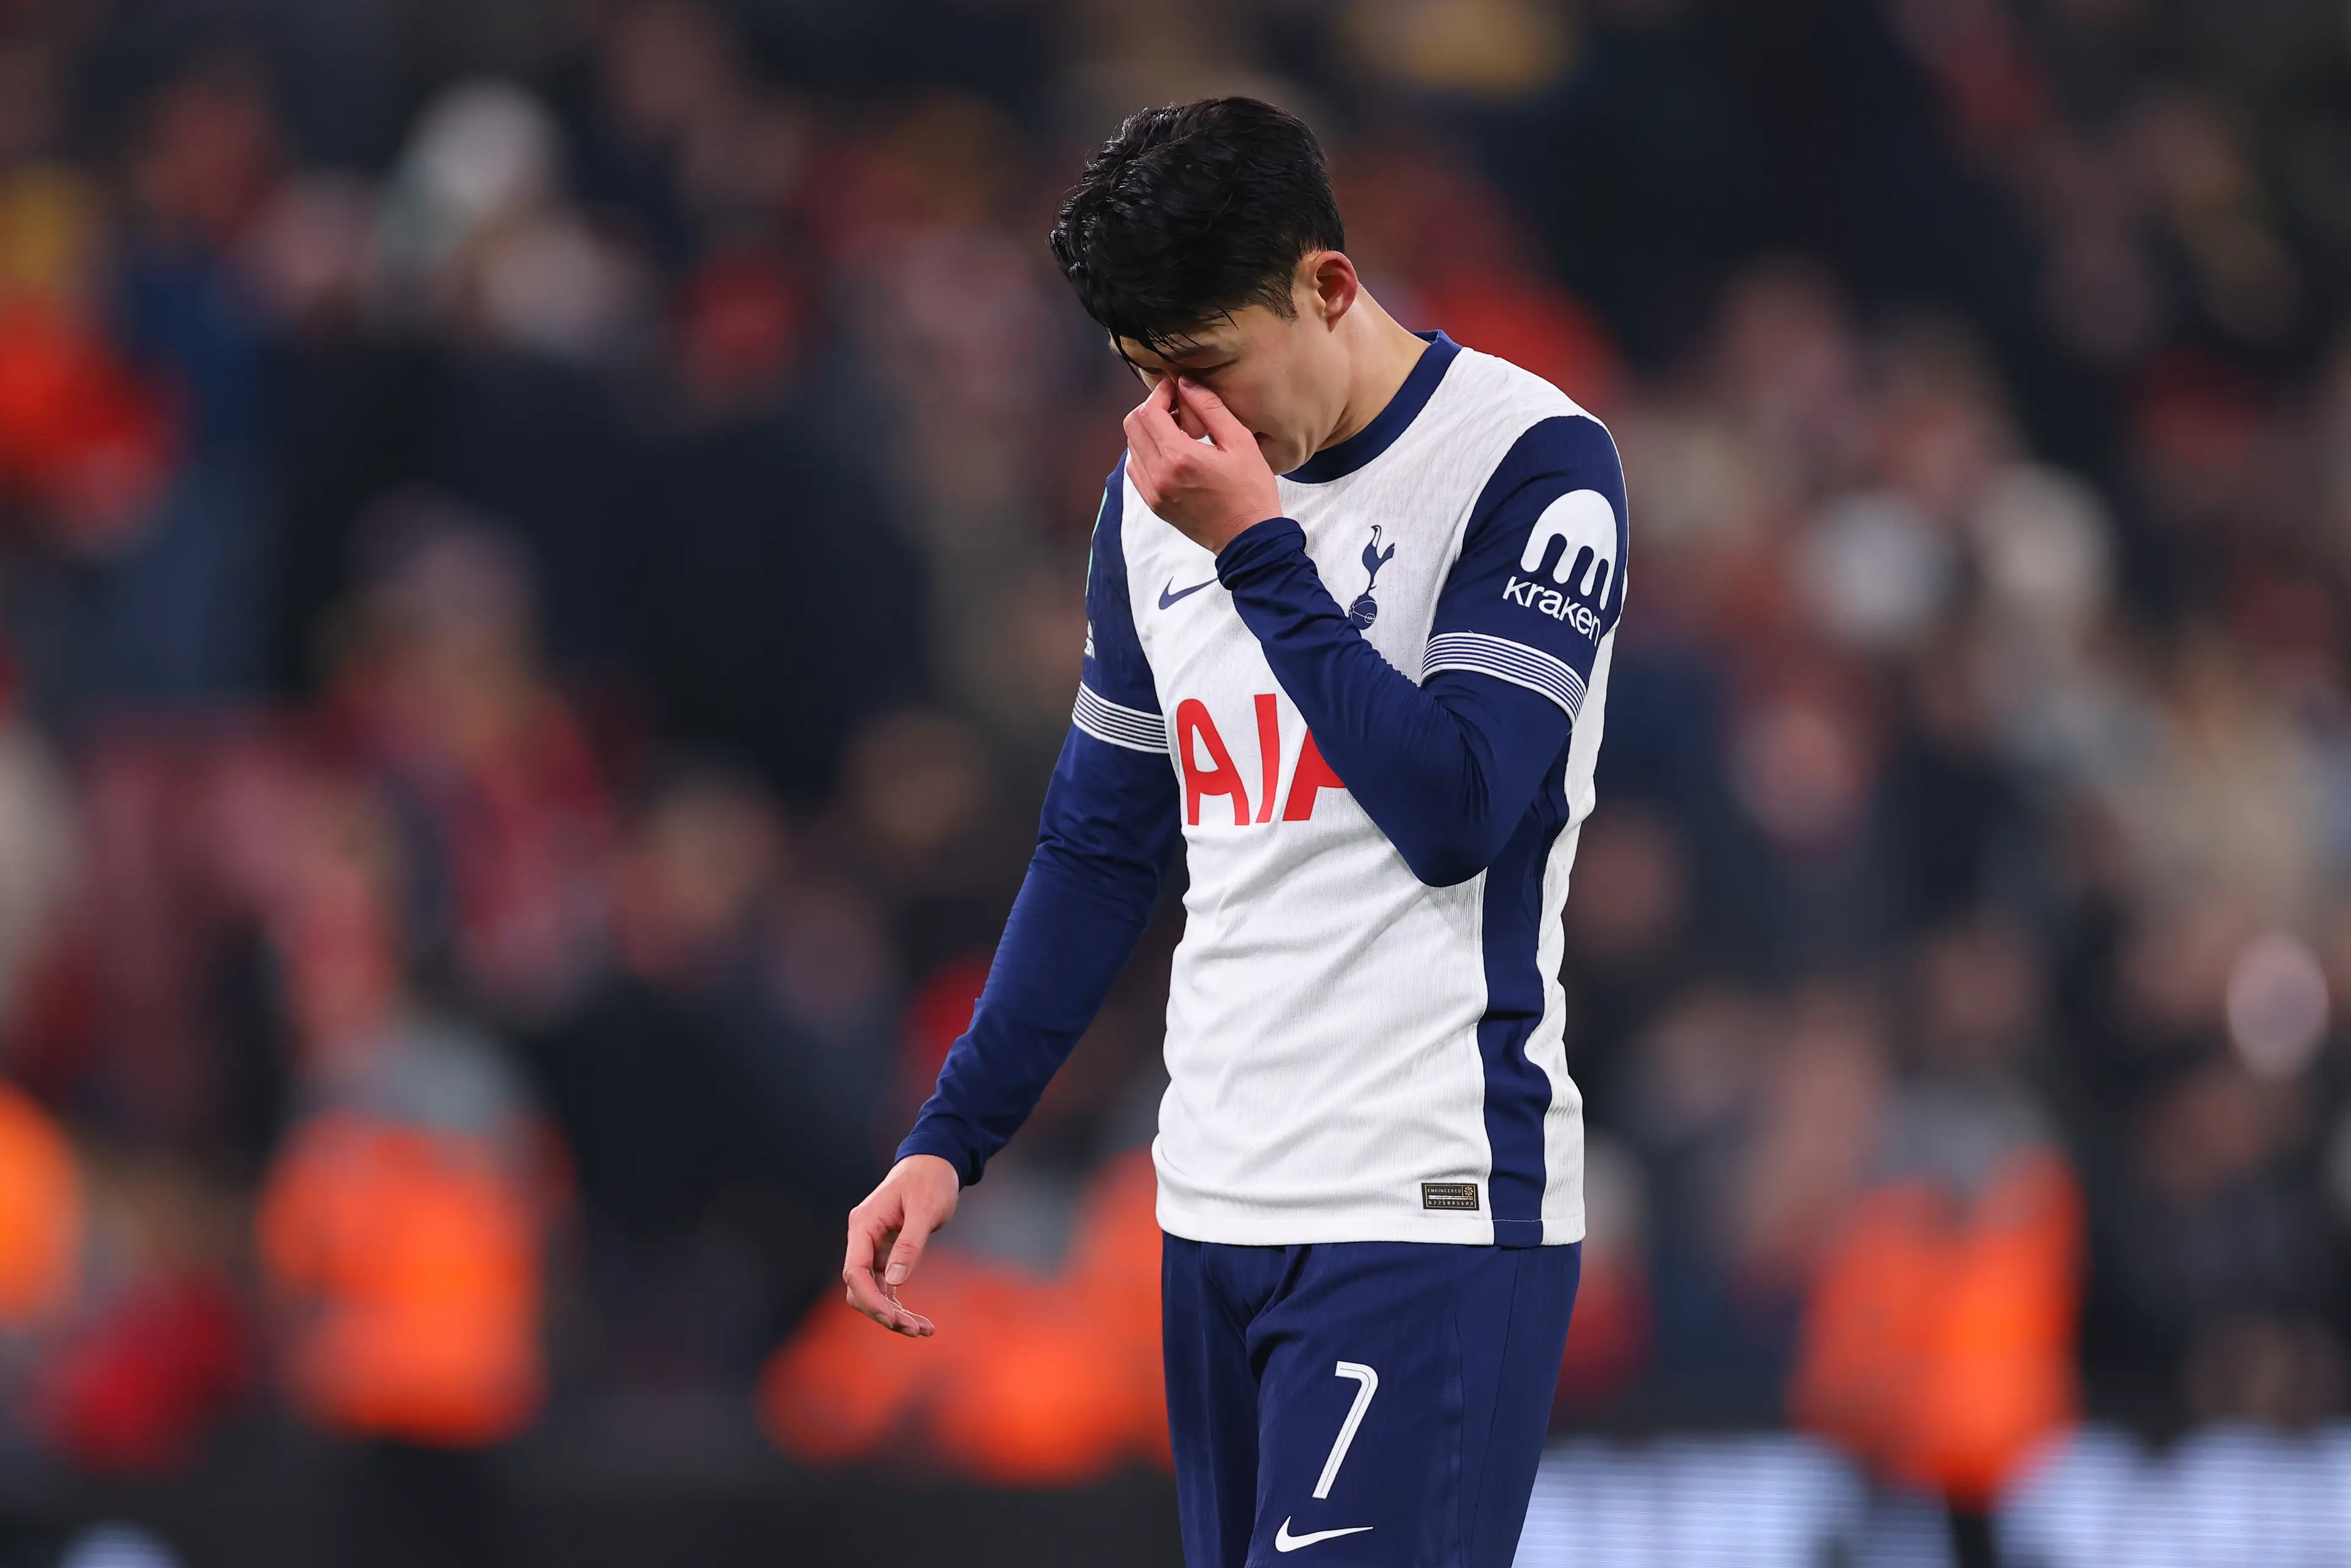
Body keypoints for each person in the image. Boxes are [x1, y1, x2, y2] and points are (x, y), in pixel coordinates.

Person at [842, 97, 1628, 1568]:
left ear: (1328, 287)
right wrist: (954, 1135)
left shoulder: (1530, 466)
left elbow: (1457, 809)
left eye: (1205, 367)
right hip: (1210, 1202)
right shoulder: (1155, 501)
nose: (1179, 419)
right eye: (1145, 376)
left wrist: (1262, 555)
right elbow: (1097, 848)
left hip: (1428, 1200)